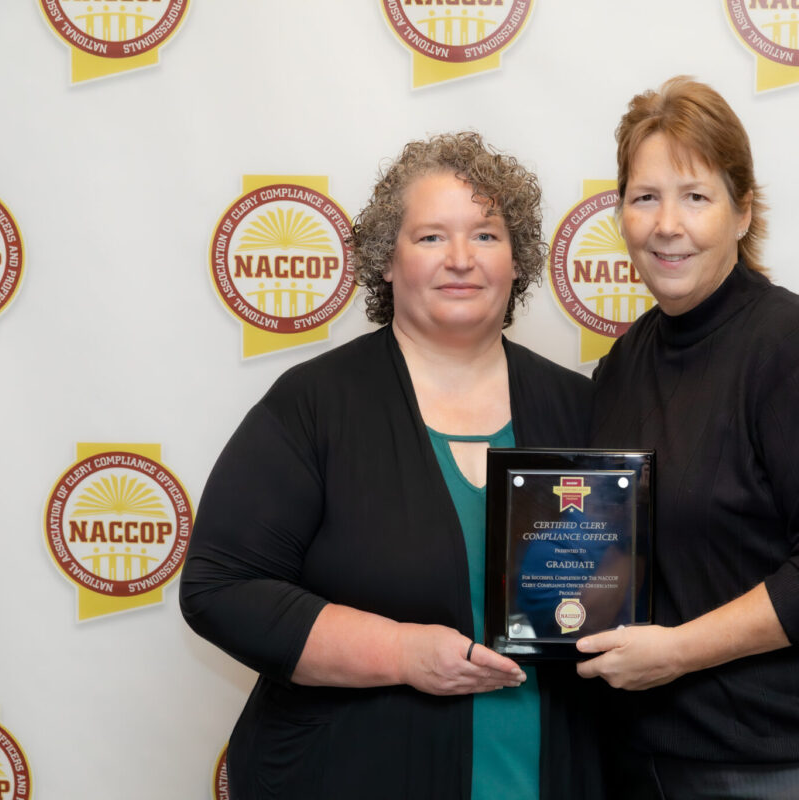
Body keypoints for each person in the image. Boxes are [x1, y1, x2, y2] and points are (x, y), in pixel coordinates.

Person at [180, 132, 603, 799]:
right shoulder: (315, 405)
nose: (460, 260)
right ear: (386, 260)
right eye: (431, 237)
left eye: (486, 237)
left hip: (548, 774)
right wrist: (402, 654)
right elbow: (220, 588)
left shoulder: (581, 408)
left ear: (516, 261)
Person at [576, 77, 799, 798]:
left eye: (695, 196)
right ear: (621, 214)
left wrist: (675, 653)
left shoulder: (794, 347)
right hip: (657, 757)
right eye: (645, 197)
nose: (667, 224)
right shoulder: (621, 369)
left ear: (742, 212)